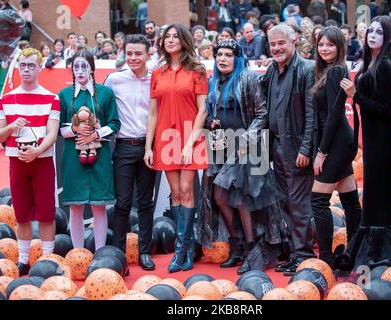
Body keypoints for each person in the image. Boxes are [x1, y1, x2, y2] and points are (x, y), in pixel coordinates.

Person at [196, 39, 287, 274]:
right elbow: (208, 112)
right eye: (219, 55)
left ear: (237, 58)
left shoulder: (248, 78)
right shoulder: (213, 81)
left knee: (241, 199)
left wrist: (248, 139)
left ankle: (250, 250)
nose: (222, 59)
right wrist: (209, 121)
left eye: (227, 55)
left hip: (247, 146)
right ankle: (236, 245)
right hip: (220, 145)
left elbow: (262, 113)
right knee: (219, 197)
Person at [339, 16, 391, 270]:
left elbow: (386, 109)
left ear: (388, 38)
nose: (372, 34)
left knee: (381, 197)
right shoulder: (370, 62)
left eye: (379, 32)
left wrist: (356, 95)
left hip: (383, 140)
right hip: (373, 140)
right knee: (375, 197)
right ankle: (373, 249)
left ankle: (384, 252)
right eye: (370, 30)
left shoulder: (385, 65)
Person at [144, 24, 208, 273]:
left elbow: (202, 109)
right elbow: (152, 112)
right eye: (166, 37)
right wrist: (148, 147)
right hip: (165, 137)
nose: (170, 40)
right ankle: (187, 249)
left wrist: (191, 142)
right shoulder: (157, 72)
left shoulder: (197, 70)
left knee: (186, 190)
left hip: (189, 137)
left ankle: (182, 250)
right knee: (176, 193)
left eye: (175, 36)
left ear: (184, 40)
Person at [0, 48, 60, 275]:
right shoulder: (6, 99)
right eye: (22, 65)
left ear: (39, 67)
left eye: (31, 65)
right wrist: (12, 126)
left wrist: (38, 151)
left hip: (41, 161)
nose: (26, 70)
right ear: (17, 67)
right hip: (17, 161)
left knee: (46, 212)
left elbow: (53, 133)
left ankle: (48, 259)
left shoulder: (51, 98)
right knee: (21, 212)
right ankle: (23, 259)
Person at [262, 25, 317, 274]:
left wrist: (306, 149)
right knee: (285, 202)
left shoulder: (306, 69)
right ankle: (295, 252)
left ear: (293, 40)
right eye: (272, 44)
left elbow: (311, 115)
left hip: (297, 150)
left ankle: (304, 255)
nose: (276, 48)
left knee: (299, 204)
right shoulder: (272, 70)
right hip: (277, 148)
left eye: (281, 43)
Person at [58, 50, 120, 253]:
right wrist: (74, 129)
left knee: (99, 205)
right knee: (75, 207)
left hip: (99, 155)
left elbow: (114, 123)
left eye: (84, 66)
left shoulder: (105, 93)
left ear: (92, 68)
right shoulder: (64, 95)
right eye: (76, 66)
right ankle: (78, 254)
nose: (80, 71)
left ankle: (100, 252)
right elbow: (57, 127)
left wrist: (96, 134)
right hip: (73, 157)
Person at [104, 34, 157, 271]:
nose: (133, 58)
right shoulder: (114, 80)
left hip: (149, 147)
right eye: (129, 53)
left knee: (146, 202)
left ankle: (144, 252)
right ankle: (118, 255)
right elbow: (99, 106)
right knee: (123, 203)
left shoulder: (156, 79)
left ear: (148, 54)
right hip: (124, 146)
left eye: (138, 53)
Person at [310, 26, 361, 268]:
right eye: (321, 44)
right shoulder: (330, 71)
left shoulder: (336, 71)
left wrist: (322, 152)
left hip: (337, 142)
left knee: (318, 200)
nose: (324, 49)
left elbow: (333, 115)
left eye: (330, 45)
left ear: (340, 47)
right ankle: (353, 253)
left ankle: (327, 260)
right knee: (350, 202)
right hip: (342, 140)